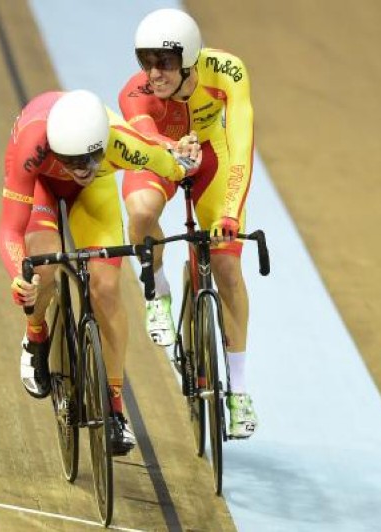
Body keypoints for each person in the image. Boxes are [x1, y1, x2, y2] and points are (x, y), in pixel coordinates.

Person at [0, 89, 197, 456]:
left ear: (103, 144)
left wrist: (187, 156)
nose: (83, 170)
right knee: (44, 264)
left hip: (94, 199)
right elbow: (10, 229)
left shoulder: (119, 143)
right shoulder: (32, 147)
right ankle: (36, 335)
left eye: (91, 158)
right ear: (57, 149)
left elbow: (170, 160)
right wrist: (17, 274)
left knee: (105, 290)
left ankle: (114, 409)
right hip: (41, 186)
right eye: (73, 162)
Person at [119, 8, 258, 439]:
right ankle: (157, 290)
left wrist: (231, 212)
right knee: (142, 212)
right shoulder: (136, 92)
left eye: (164, 62)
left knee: (228, 267)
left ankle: (238, 391)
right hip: (159, 154)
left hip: (211, 157)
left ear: (189, 59)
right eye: (146, 60)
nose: (153, 72)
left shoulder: (227, 72)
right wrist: (172, 151)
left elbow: (240, 143)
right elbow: (143, 138)